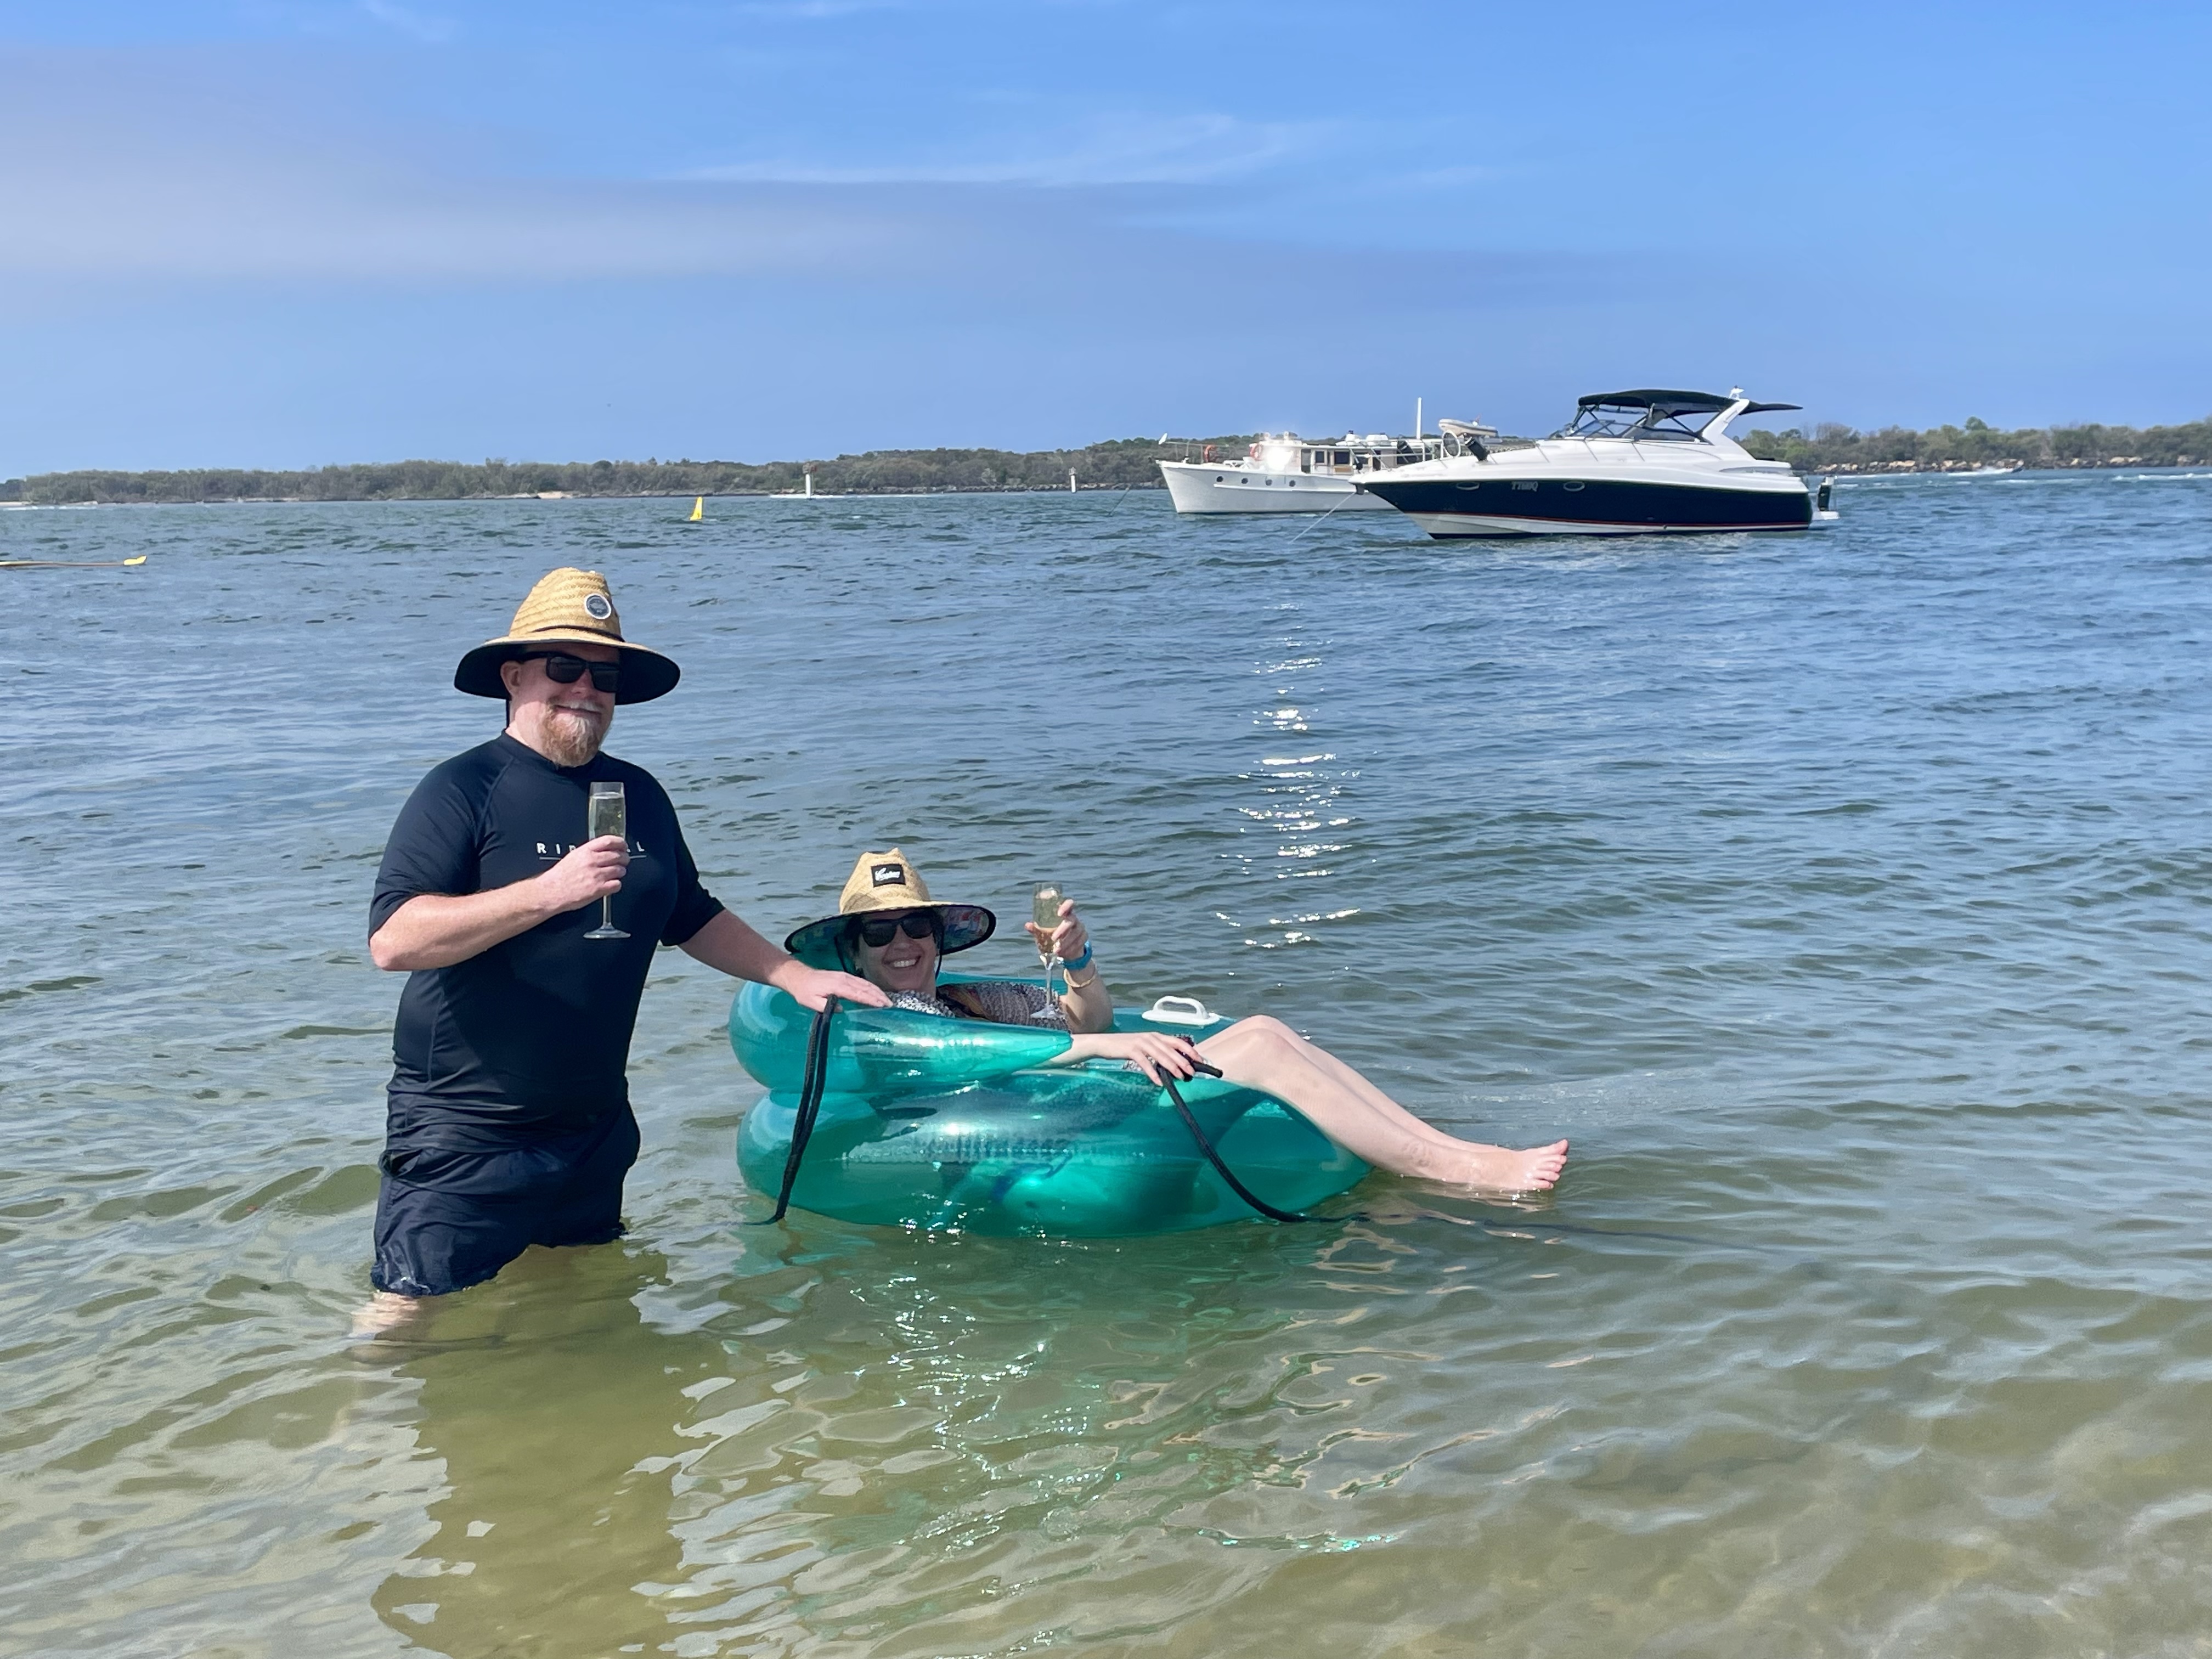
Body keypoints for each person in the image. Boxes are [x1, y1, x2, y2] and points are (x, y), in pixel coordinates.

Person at [362, 568, 885, 1326]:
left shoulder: (638, 792)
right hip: (467, 1125)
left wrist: (796, 975)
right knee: (407, 1320)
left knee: (579, 1305)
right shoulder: (462, 788)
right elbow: (395, 940)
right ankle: (354, 1440)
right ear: (514, 676)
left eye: (602, 674)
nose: (586, 688)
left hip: (595, 1124)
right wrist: (549, 891)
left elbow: (689, 911)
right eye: (564, 668)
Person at [785, 850, 1568, 1192]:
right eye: (880, 933)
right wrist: (1106, 1046)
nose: (903, 945)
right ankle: (1457, 1174)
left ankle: (1456, 1149)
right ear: (853, 950)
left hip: (1074, 1093)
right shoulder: (870, 1016)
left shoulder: (973, 996)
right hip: (1021, 1125)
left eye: (915, 929)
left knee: (1265, 1026)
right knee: (1256, 1044)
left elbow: (1078, 1015)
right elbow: (962, 1061)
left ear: (937, 936)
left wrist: (1080, 961)